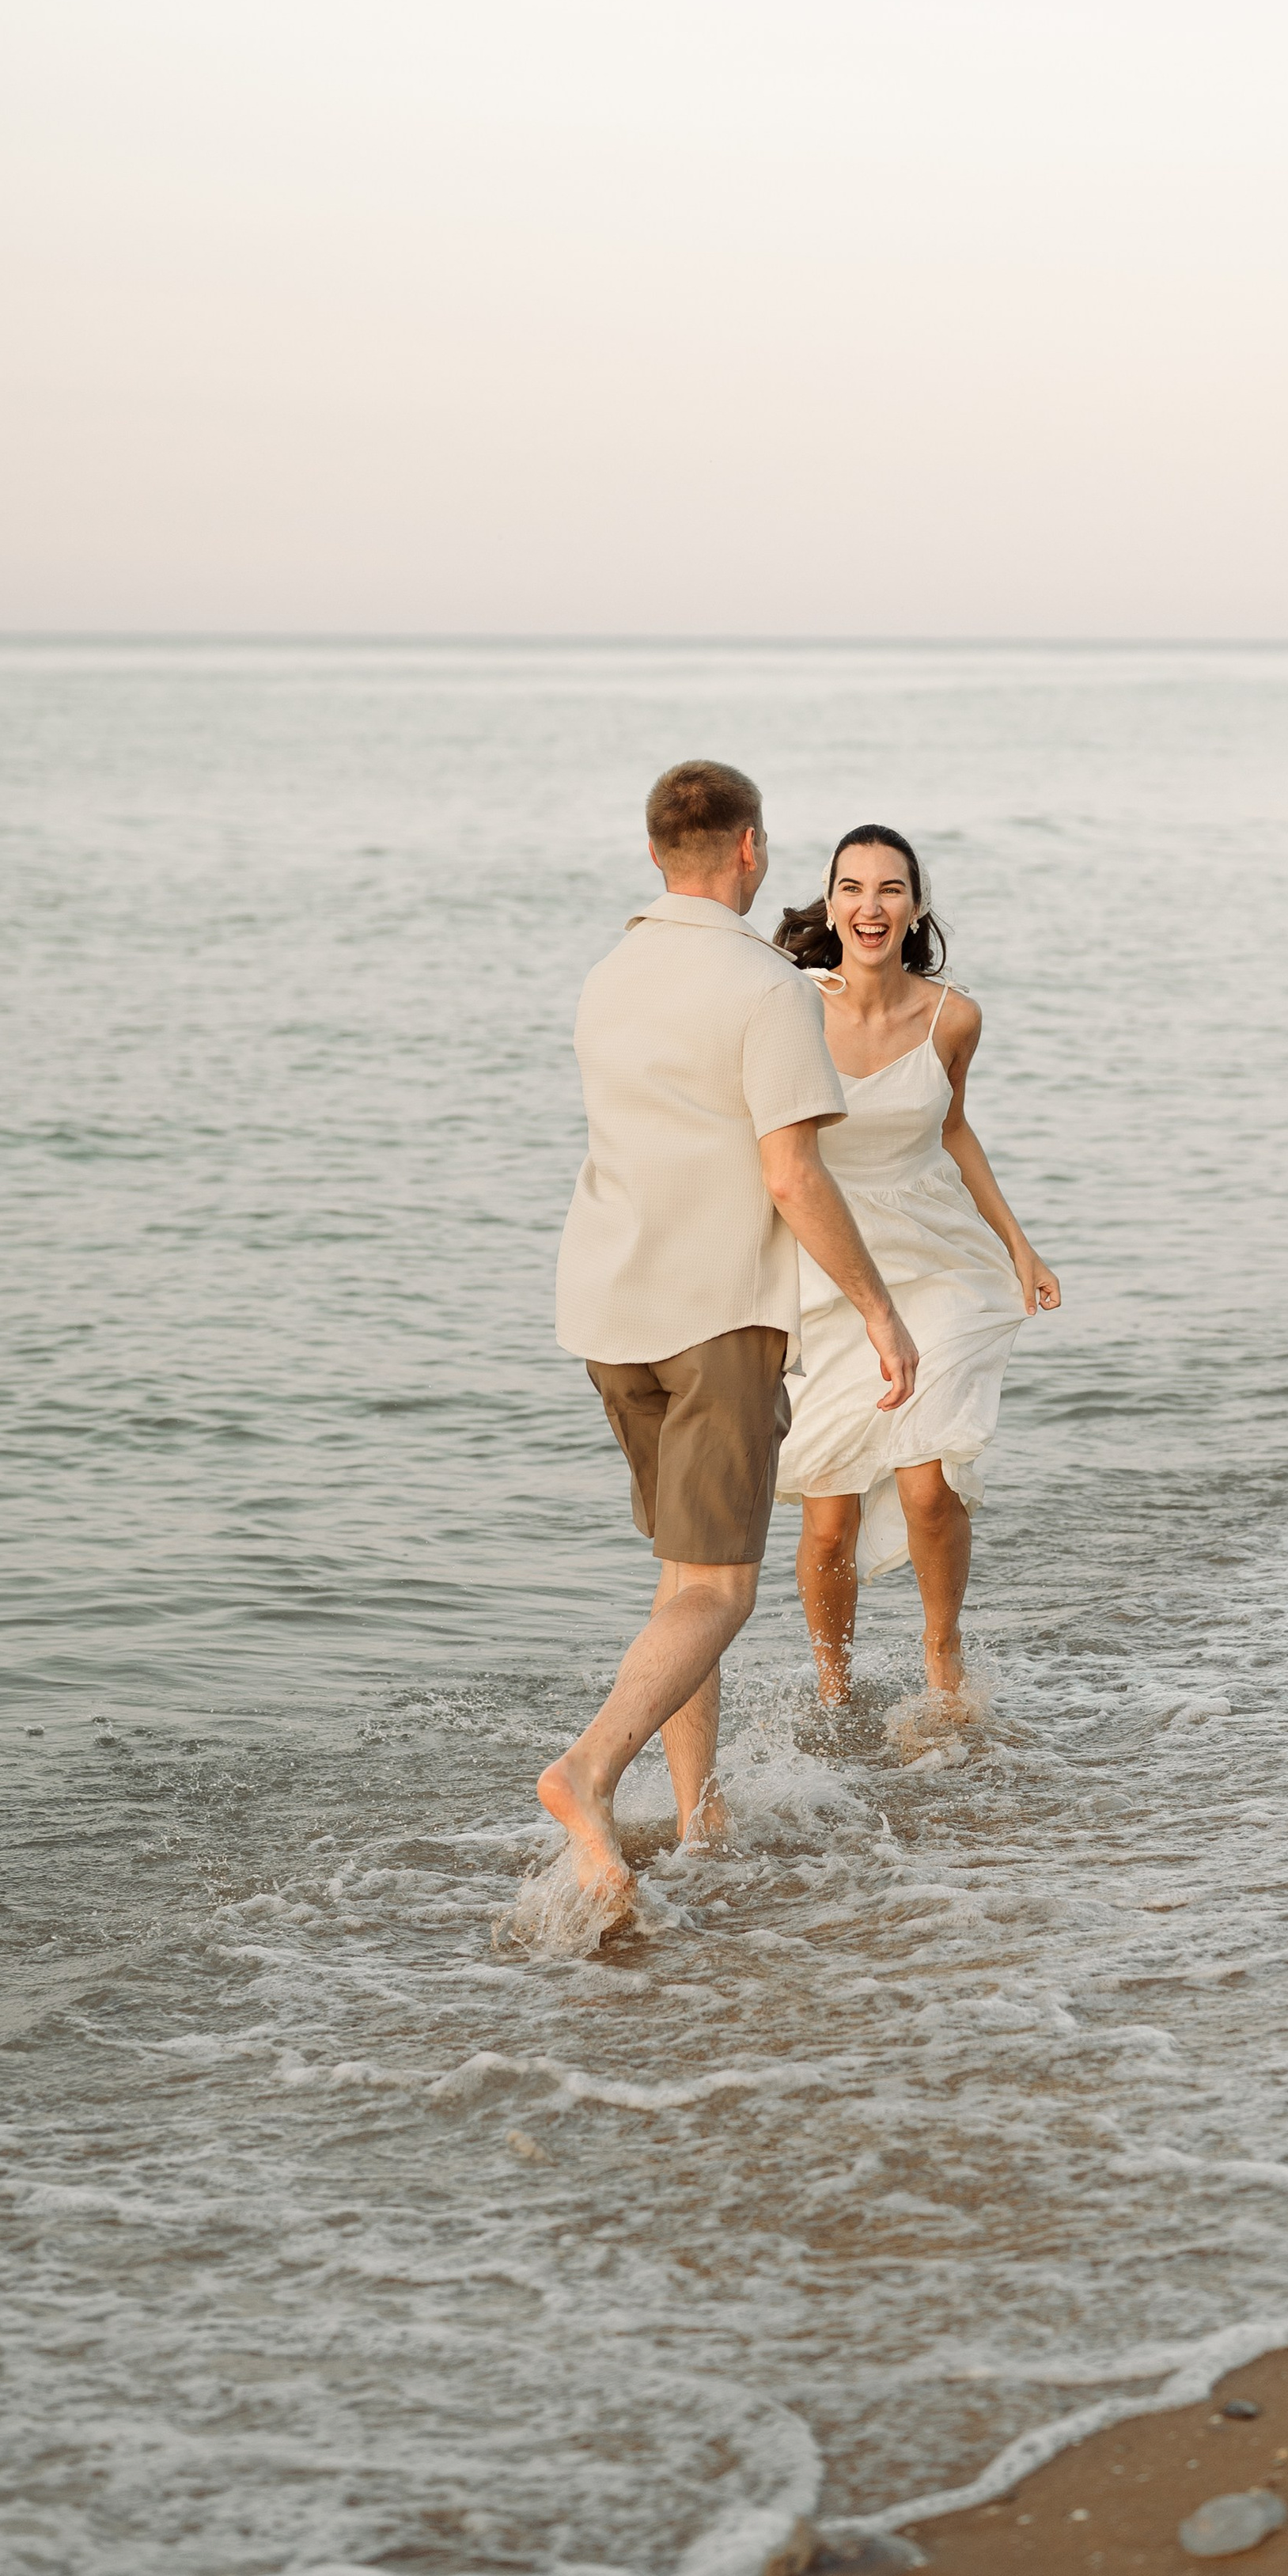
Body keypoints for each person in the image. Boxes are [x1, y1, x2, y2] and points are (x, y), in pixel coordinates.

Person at [540, 761, 919, 1922]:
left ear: (658, 851)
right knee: (721, 1588)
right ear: (749, 851)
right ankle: (588, 1773)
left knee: (680, 1576)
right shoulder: (764, 987)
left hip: (609, 1312)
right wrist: (878, 1308)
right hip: (714, 1319)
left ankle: (698, 1812)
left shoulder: (609, 974)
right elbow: (791, 1173)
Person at [771, 825, 1059, 1704]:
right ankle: (835, 1684)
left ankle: (942, 1653)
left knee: (928, 1482)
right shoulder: (787, 1008)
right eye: (851, 888)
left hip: (938, 1263)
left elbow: (953, 1131)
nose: (870, 906)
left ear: (916, 905)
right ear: (829, 904)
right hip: (827, 1275)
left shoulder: (952, 1016)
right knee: (827, 1521)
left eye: (890, 888)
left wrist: (1016, 1239)